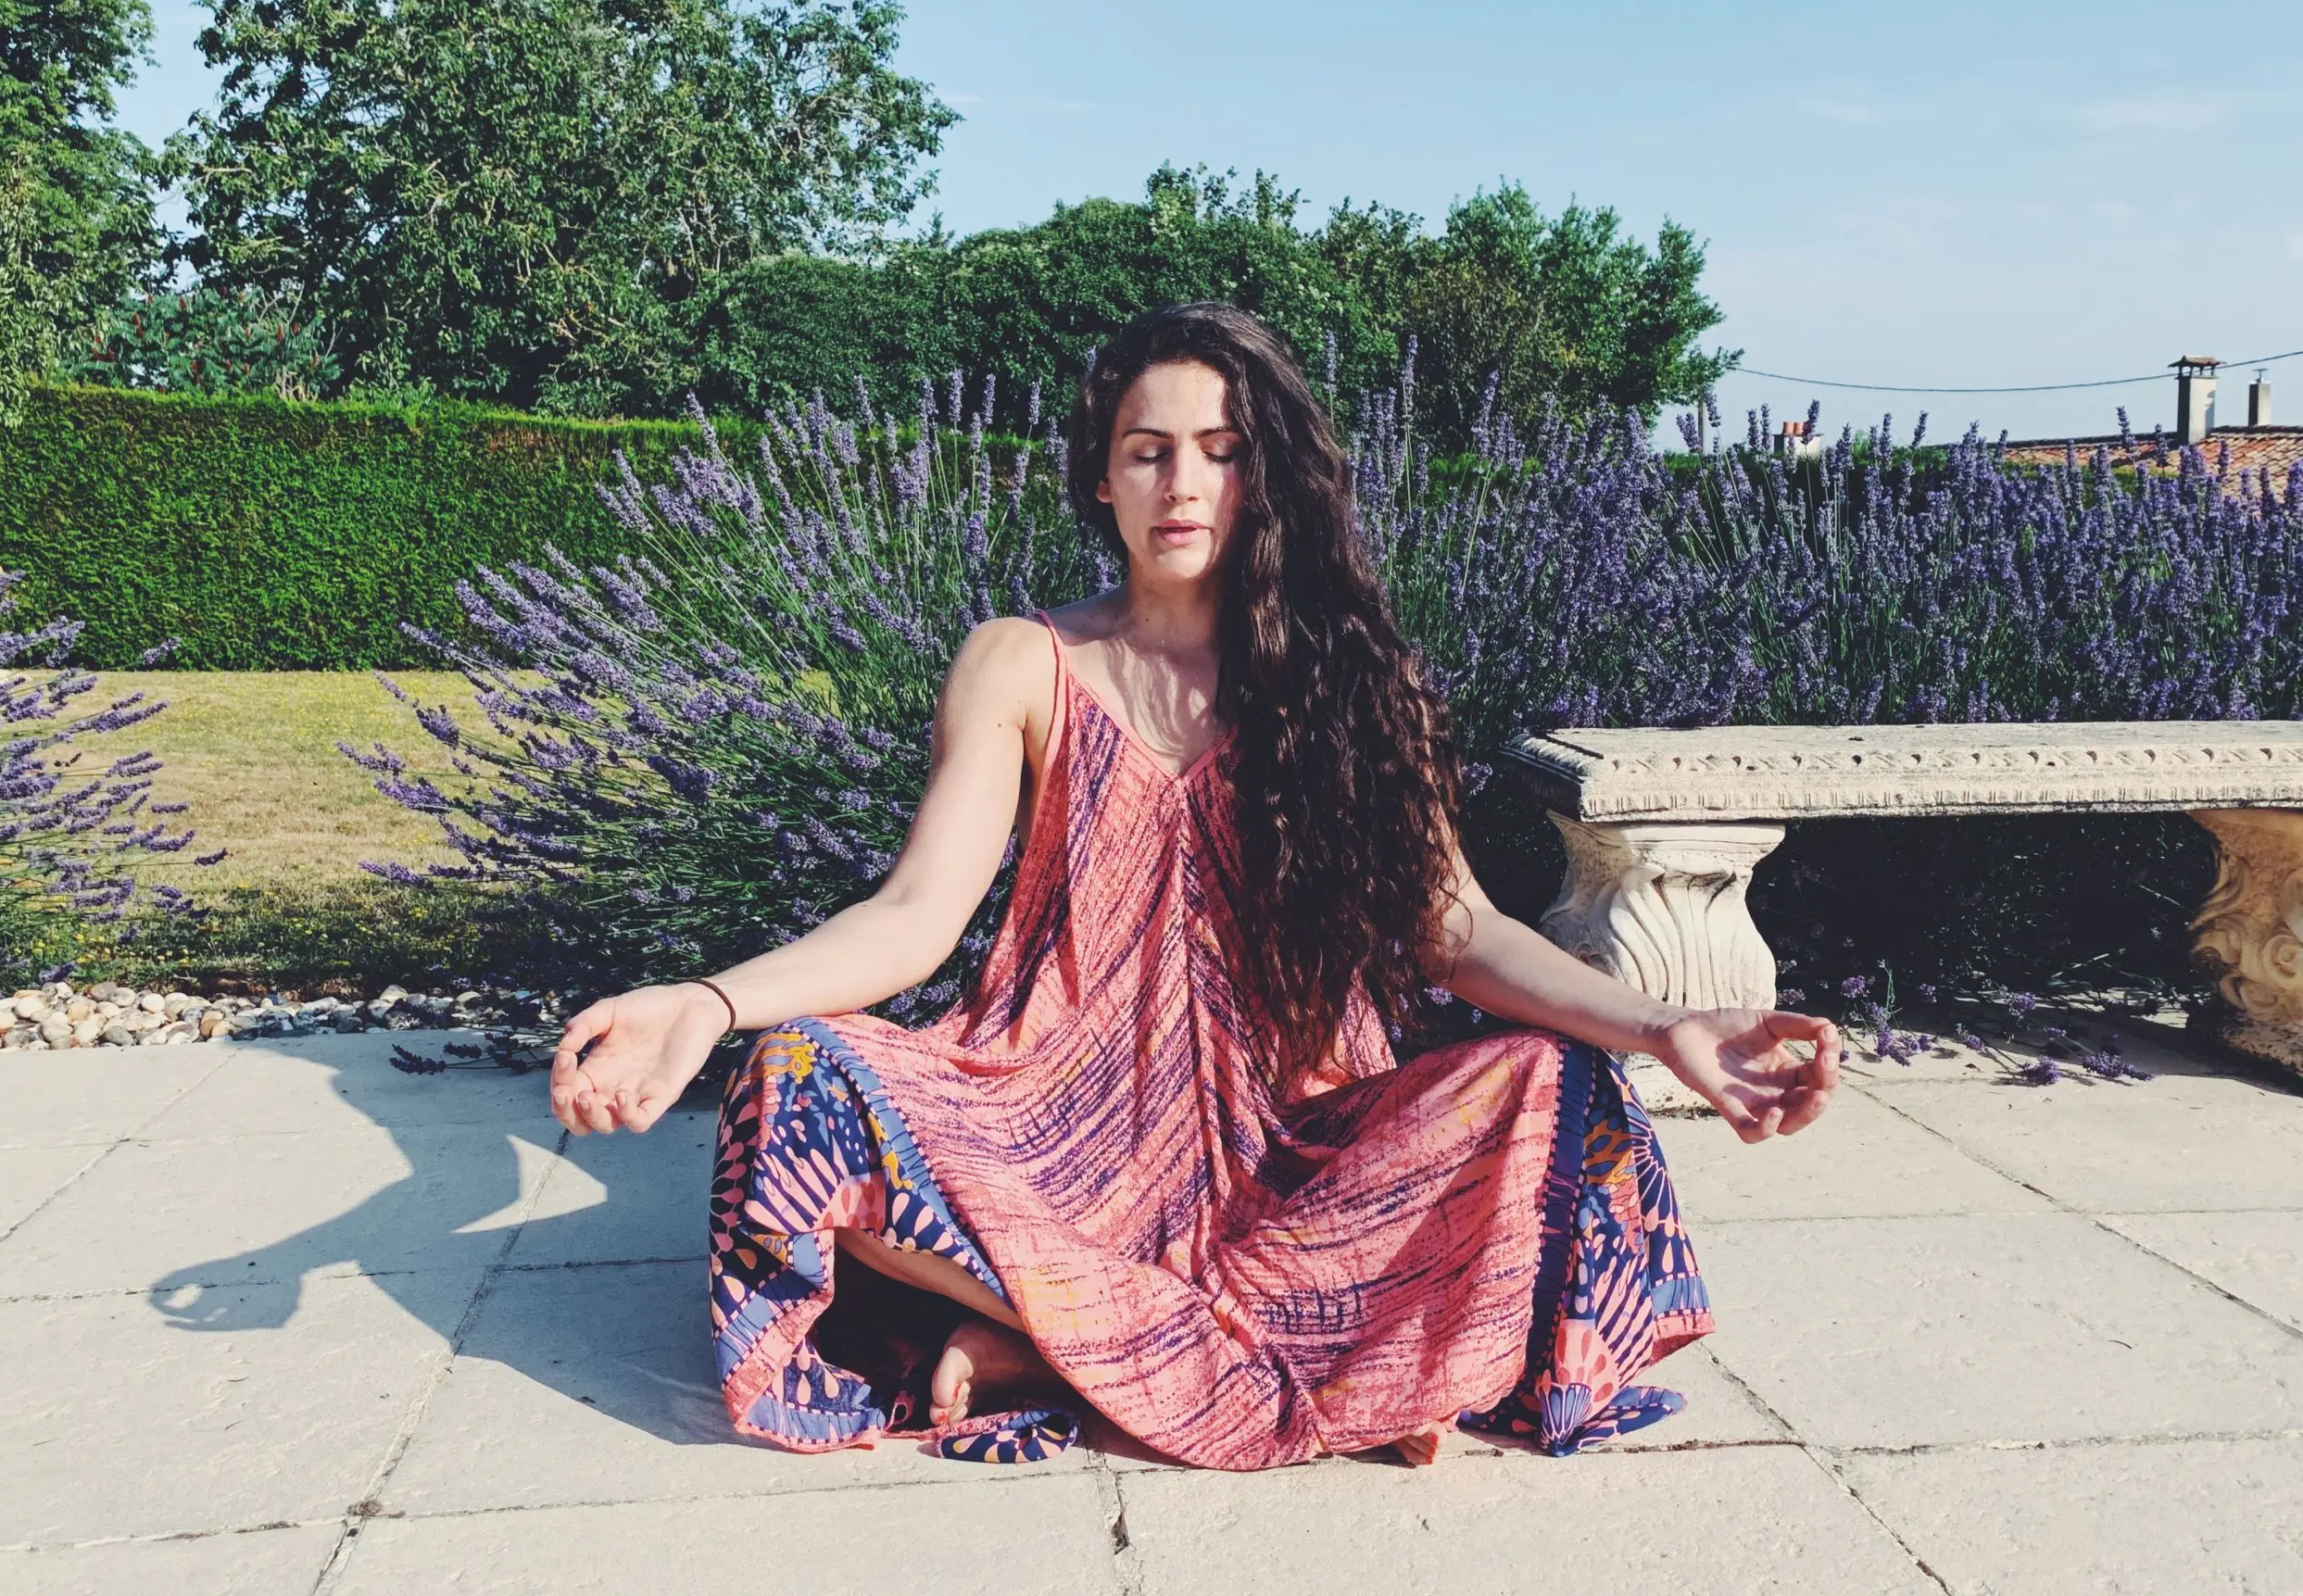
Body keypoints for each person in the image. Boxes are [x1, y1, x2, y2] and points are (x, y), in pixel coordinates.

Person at [548, 302, 1841, 1471]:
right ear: (1099, 477)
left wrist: (1665, 1021)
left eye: (1223, 449)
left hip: (1297, 1153)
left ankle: (1058, 1343)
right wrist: (710, 1003)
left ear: (1270, 477)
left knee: (1565, 1090)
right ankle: (1313, 1358)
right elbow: (911, 918)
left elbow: (1454, 931)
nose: (1184, 482)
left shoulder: (1348, 681)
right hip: (1050, 1142)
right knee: (797, 1084)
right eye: (1148, 448)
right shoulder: (1021, 663)